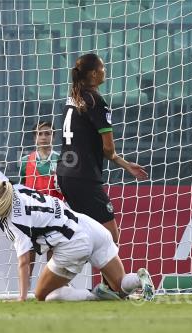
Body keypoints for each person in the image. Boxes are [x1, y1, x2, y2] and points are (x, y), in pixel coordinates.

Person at [0, 117, 154, 302]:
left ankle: (94, 295)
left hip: (69, 238)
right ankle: (139, 279)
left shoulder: (14, 219)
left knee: (46, 295)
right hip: (87, 226)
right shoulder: (5, 183)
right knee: (120, 283)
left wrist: (22, 298)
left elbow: (24, 260)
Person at [56, 53, 149, 245]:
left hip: (66, 175)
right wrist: (125, 164)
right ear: (92, 74)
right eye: (102, 68)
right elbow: (108, 148)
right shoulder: (95, 101)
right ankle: (112, 277)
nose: (104, 71)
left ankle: (62, 270)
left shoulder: (72, 99)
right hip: (84, 177)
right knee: (111, 239)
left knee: (84, 238)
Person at [20, 121, 63, 200]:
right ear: (34, 138)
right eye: (39, 134)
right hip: (32, 208)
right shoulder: (25, 160)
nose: (43, 137)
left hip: (56, 208)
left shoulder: (61, 160)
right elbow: (22, 184)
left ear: (53, 137)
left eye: (47, 134)